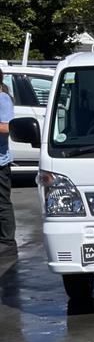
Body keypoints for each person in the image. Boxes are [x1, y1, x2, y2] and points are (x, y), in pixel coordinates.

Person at [0, 76, 15, 253]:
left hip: (1, 161)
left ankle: (8, 242)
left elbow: (7, 127)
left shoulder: (3, 99)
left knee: (2, 203)